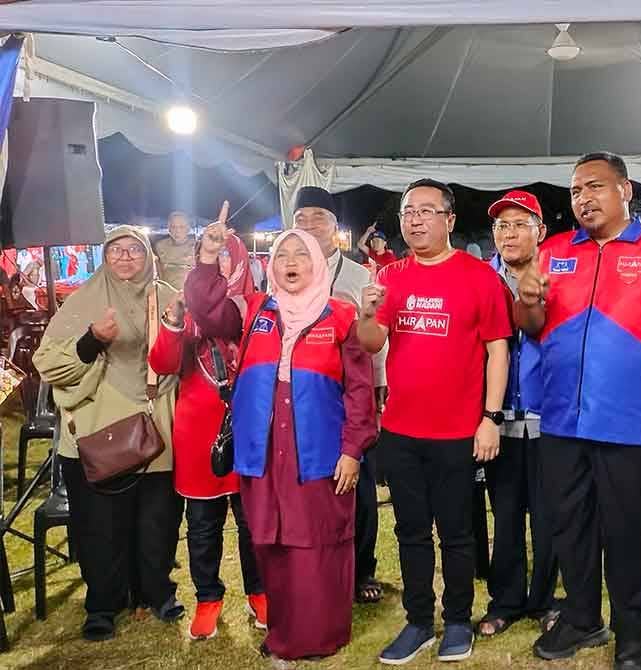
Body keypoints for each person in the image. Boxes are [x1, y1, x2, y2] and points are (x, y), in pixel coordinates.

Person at [516, 152, 641, 670]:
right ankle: (582, 618)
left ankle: (633, 633)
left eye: (595, 186)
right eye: (576, 190)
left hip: (631, 420)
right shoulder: (552, 252)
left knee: (629, 531)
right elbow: (530, 325)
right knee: (568, 524)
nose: (584, 198)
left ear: (625, 190)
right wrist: (528, 300)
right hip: (561, 418)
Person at [187, 221, 377, 661]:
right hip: (264, 449)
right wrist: (208, 259)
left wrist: (352, 449)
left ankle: (320, 634)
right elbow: (208, 311)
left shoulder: (340, 315)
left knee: (318, 539)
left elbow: (360, 390)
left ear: (318, 263)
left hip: (319, 450)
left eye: (301, 254)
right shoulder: (255, 310)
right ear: (271, 265)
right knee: (270, 539)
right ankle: (283, 630)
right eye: (283, 255)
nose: (291, 263)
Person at [358, 178, 512, 665]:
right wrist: (366, 313)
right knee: (410, 531)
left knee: (458, 532)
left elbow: (498, 350)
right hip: (401, 430)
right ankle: (419, 621)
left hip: (458, 431)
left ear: (449, 219)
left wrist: (490, 418)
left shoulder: (478, 276)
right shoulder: (391, 276)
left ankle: (459, 620)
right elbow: (370, 343)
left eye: (426, 211)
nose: (415, 220)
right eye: (408, 211)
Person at [33, 226, 184, 641]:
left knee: (158, 522)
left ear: (148, 256)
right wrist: (92, 341)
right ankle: (103, 603)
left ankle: (156, 593)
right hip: (98, 431)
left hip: (156, 429)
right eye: (116, 250)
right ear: (104, 256)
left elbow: (187, 357)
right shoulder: (83, 301)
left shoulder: (168, 298)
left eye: (134, 249)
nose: (125, 257)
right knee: (100, 527)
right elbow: (47, 363)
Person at [148, 229, 266, 641]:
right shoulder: (188, 310)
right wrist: (173, 323)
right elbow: (163, 364)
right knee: (202, 525)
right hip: (199, 436)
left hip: (249, 430)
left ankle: (259, 592)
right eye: (213, 257)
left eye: (228, 257)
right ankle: (208, 598)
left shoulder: (255, 307)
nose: (221, 266)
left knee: (253, 522)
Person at [292, 185, 388, 605]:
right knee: (312, 480)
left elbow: (375, 336)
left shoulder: (358, 276)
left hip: (351, 391)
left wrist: (379, 386)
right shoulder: (285, 270)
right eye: (301, 218)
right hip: (304, 393)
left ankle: (363, 567)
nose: (309, 225)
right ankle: (317, 563)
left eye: (319, 217)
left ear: (336, 227)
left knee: (359, 480)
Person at [478, 190, 558, 639]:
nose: (509, 234)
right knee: (505, 514)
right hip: (498, 417)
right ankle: (505, 600)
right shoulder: (481, 278)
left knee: (550, 515)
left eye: (519, 225)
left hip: (551, 416)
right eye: (501, 226)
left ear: (540, 232)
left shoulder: (560, 275)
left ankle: (546, 600)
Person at [154, 211, 196, 291]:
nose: (177, 231)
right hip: (167, 292)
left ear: (188, 228)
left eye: (181, 227)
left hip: (192, 292)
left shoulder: (197, 246)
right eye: (173, 227)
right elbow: (158, 271)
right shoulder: (160, 246)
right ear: (169, 229)